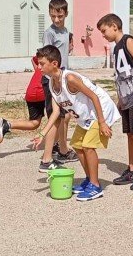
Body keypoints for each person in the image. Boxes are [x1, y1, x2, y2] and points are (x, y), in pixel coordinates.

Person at [33, 45, 120, 202]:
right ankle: (89, 179)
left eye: (42, 63)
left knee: (88, 147)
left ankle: (95, 186)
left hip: (101, 111)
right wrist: (41, 134)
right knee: (77, 145)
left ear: (54, 63)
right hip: (86, 117)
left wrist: (102, 122)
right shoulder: (52, 83)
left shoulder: (70, 79)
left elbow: (94, 96)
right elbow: (55, 113)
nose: (39, 67)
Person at [97, 13, 133, 191]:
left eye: (104, 31)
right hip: (126, 99)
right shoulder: (116, 48)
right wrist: (120, 98)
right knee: (130, 133)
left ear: (114, 26)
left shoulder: (128, 41)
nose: (103, 35)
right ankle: (132, 169)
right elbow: (120, 76)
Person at [0, 54, 60, 172]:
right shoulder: (54, 59)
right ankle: (57, 148)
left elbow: (33, 59)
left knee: (34, 123)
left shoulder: (42, 59)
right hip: (41, 90)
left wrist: (38, 70)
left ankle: (6, 124)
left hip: (31, 91)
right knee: (57, 118)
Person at [42, 0, 76, 164]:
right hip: (52, 80)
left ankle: (61, 149)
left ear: (66, 14)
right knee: (56, 118)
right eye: (53, 16)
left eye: (60, 16)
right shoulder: (49, 33)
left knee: (65, 116)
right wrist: (53, 79)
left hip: (62, 78)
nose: (56, 19)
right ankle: (50, 156)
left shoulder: (65, 31)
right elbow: (46, 57)